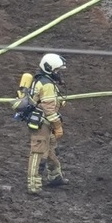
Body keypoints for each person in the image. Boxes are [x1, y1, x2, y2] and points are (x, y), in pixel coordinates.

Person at [24, 53, 69, 196]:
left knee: (50, 150)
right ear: (49, 69)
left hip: (43, 121)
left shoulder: (43, 80)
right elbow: (49, 110)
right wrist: (58, 126)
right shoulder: (47, 84)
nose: (58, 73)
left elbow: (46, 101)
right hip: (42, 123)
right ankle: (34, 186)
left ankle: (55, 177)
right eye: (57, 70)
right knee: (38, 153)